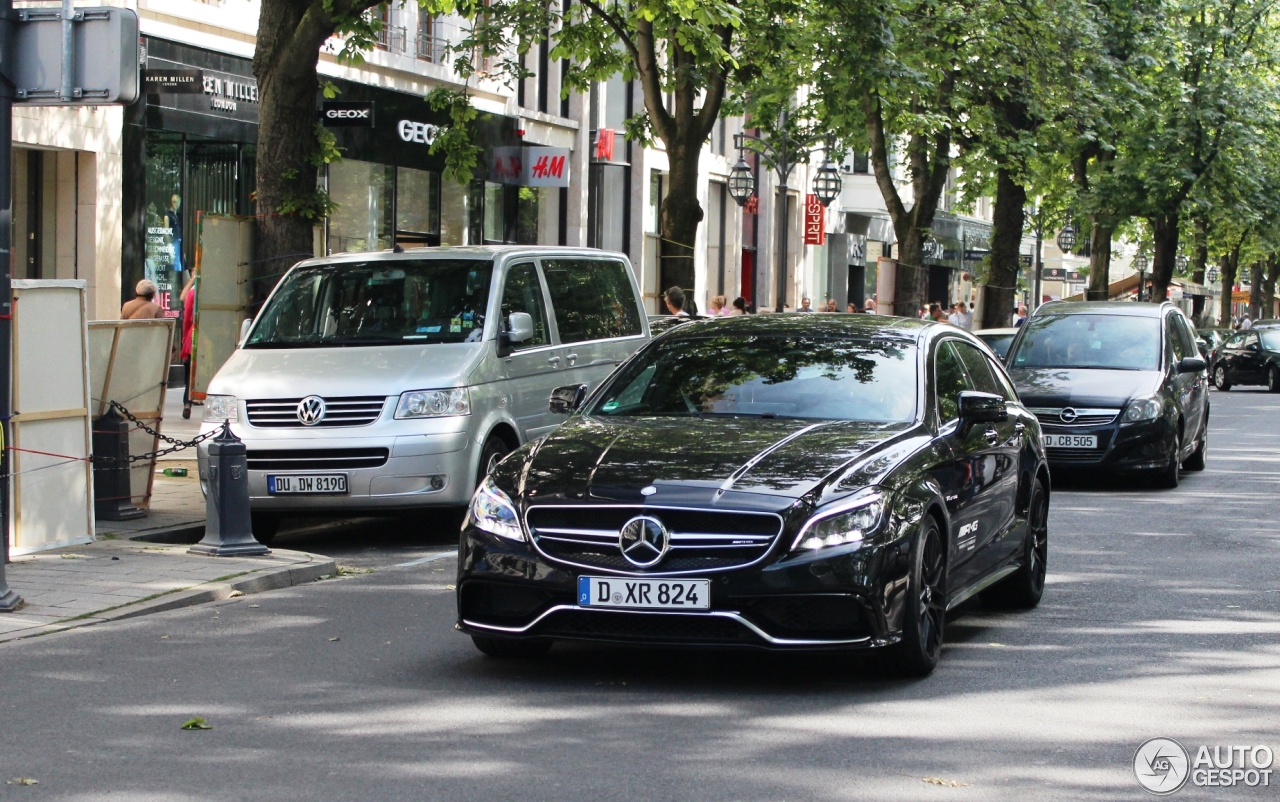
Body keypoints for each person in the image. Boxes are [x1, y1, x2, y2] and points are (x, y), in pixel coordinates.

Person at [179, 274, 196, 419]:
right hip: (211, 338)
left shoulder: (193, 292)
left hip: (194, 337)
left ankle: (187, 403)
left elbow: (187, 319)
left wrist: (185, 339)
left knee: (189, 375)